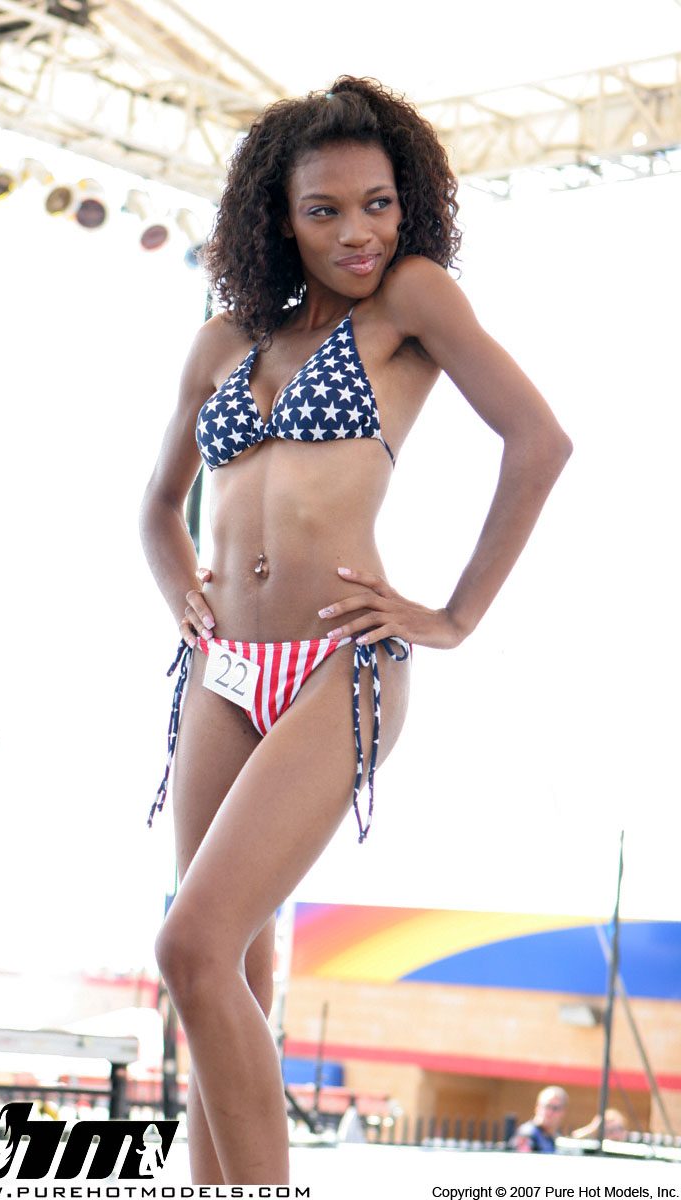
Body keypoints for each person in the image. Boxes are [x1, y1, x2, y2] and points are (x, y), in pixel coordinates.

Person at [140, 77, 572, 1185]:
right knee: (227, 967)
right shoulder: (222, 342)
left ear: (406, 202)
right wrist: (185, 595)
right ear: (277, 218)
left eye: (378, 203)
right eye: (324, 210)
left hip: (340, 664)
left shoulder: (409, 302)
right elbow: (157, 506)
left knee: (189, 946)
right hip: (221, 671)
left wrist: (454, 617)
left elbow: (539, 442)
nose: (357, 232)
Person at [510, 1085, 569, 1152]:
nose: (549, 1112)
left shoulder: (553, 1137)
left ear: (563, 1112)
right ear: (537, 1107)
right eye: (546, 1106)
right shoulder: (527, 1134)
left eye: (555, 1108)